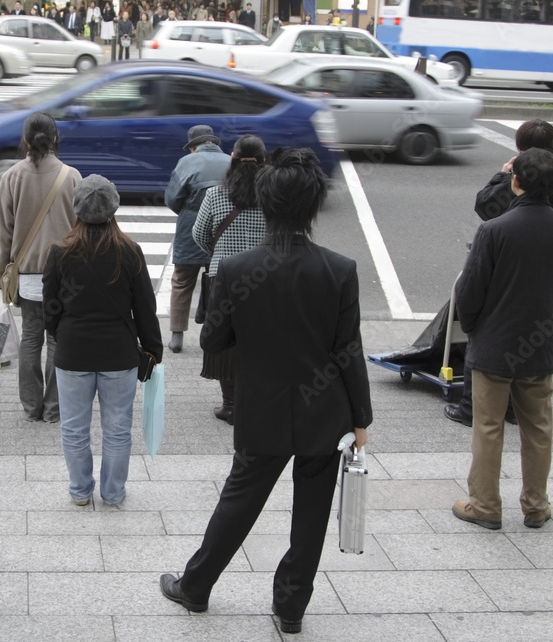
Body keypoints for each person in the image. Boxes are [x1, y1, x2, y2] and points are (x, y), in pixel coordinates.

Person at [159, 147, 372, 634]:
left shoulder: (235, 270)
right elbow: (349, 351)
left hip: (262, 409)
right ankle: (291, 609)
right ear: (312, 209)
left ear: (267, 204)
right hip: (325, 411)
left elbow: (214, 340)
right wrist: (361, 419)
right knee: (312, 511)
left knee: (240, 499)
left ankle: (195, 587)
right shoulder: (340, 270)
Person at [451, 148, 553, 532]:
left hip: (494, 346)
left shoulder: (494, 230)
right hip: (540, 348)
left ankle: (485, 505)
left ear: (516, 182)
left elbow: (471, 291)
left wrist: (476, 328)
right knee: (538, 428)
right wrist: (551, 325)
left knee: (489, 427)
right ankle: (535, 505)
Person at [444, 118, 553, 428]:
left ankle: (470, 407)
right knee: (528, 343)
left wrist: (502, 175)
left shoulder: (521, 180)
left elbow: (486, 207)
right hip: (544, 282)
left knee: (486, 340)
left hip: (506, 274)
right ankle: (516, 409)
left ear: (520, 149)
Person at [43, 175, 163, 506]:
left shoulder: (60, 252)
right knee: (117, 430)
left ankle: (80, 491)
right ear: (114, 208)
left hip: (72, 352)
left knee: (74, 429)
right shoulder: (130, 251)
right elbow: (145, 309)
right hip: (119, 353)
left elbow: (49, 311)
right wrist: (152, 349)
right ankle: (113, 492)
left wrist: (61, 335)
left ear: (76, 208)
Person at [0, 112, 81, 424]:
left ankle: (32, 408)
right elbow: (80, 230)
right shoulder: (71, 176)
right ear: (55, 138)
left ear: (26, 140)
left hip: (28, 273)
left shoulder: (12, 177)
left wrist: (1, 275)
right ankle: (55, 408)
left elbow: (4, 231)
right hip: (64, 274)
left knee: (32, 337)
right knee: (58, 338)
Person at [191, 135, 266, 426]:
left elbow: (199, 234)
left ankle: (230, 405)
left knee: (224, 339)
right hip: (264, 277)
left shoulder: (215, 194)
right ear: (263, 159)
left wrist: (218, 252)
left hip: (222, 277)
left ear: (232, 158)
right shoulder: (272, 194)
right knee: (259, 339)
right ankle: (256, 401)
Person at [163, 125, 231, 354]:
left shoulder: (186, 162)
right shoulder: (232, 163)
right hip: (224, 226)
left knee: (182, 280)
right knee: (220, 281)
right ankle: (215, 333)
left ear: (193, 147)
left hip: (190, 227)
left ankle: (176, 336)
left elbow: (172, 199)